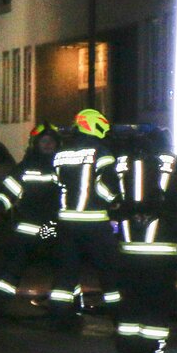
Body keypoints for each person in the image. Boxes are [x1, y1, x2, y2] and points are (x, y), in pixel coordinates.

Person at [108, 129, 177, 353]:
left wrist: (119, 204)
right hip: (161, 252)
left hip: (128, 251)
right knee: (156, 307)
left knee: (131, 305)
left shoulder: (120, 164)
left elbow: (99, 190)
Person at [50, 109, 123, 327]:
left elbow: (57, 184)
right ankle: (118, 314)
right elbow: (103, 186)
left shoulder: (61, 153)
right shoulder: (102, 152)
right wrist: (116, 201)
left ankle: (59, 316)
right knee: (108, 271)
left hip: (66, 223)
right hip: (94, 223)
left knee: (66, 273)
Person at [0, 124, 62, 319]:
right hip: (28, 228)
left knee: (63, 266)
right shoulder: (25, 167)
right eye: (44, 141)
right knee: (12, 266)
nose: (48, 144)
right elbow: (9, 189)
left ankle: (63, 309)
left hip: (51, 227)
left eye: (52, 141)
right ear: (36, 144)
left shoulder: (63, 167)